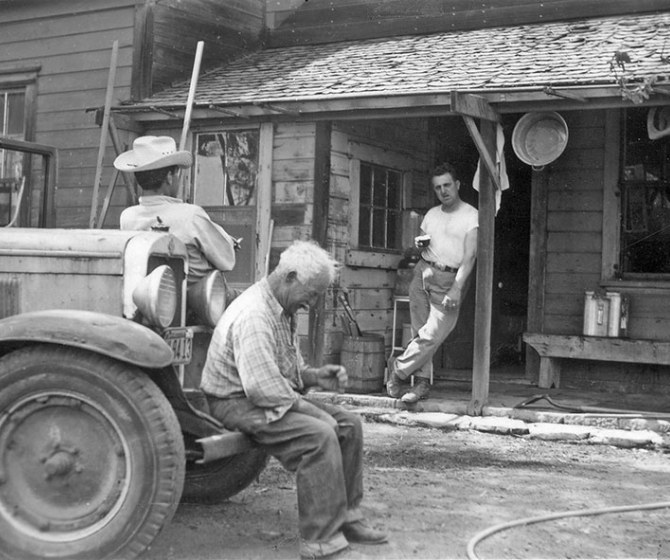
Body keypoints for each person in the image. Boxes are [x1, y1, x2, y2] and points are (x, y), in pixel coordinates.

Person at [200, 240, 388, 559]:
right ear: (289, 277)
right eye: (312, 294)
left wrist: (314, 376)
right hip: (234, 401)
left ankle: (347, 516)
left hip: (261, 394)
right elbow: (262, 389)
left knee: (349, 424)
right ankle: (319, 540)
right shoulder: (255, 314)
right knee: (319, 436)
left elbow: (285, 371)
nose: (313, 303)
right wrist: (312, 413)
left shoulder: (283, 307)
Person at [387, 163, 478, 404]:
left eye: (447, 185)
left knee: (432, 335)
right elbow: (420, 247)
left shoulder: (471, 215)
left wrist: (457, 288)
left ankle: (397, 371)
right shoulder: (431, 215)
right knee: (420, 333)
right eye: (438, 188)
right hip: (422, 274)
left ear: (457, 185)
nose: (443, 191)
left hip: (450, 280)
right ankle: (422, 385)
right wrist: (419, 245)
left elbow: (470, 257)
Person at [115, 135, 235, 285]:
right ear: (169, 177)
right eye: (177, 173)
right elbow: (227, 260)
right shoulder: (191, 215)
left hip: (148, 293)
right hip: (192, 297)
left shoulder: (127, 217)